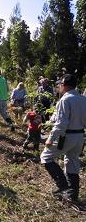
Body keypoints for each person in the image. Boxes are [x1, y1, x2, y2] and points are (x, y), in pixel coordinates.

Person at [40, 74, 86, 203]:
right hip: (79, 136)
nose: (59, 86)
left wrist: (50, 138)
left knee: (46, 157)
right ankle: (72, 194)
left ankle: (62, 185)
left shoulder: (65, 100)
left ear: (64, 85)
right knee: (72, 161)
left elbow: (61, 123)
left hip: (66, 136)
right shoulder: (83, 99)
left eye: (60, 84)